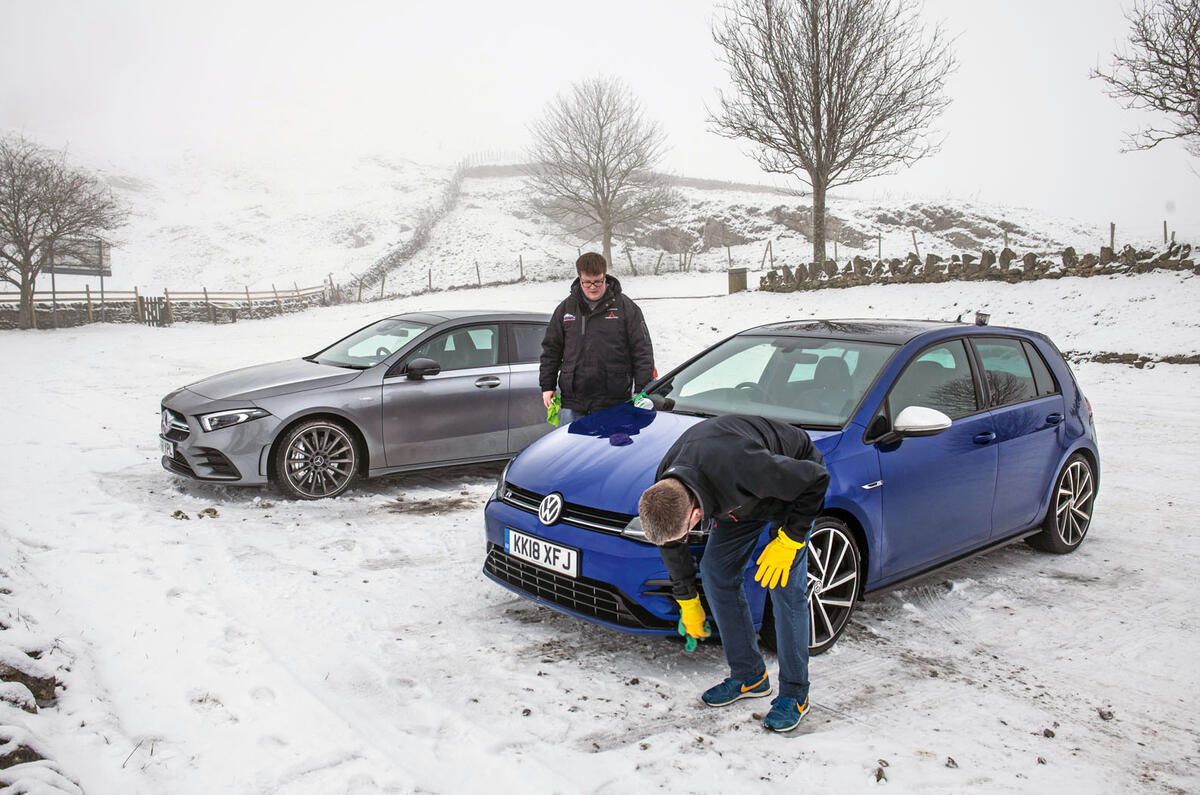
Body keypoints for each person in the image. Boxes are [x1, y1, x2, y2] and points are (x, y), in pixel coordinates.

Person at [637, 414, 829, 733]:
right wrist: (687, 599)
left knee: (784, 588)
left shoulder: (741, 465)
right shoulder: (665, 487)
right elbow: (671, 543)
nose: (681, 538)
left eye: (685, 531)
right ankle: (749, 675)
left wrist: (791, 538)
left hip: (792, 488)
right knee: (716, 573)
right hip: (738, 500)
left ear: (695, 514)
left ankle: (795, 694)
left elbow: (816, 480)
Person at [540, 252, 654, 423]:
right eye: (587, 282)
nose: (593, 287)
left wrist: (641, 389)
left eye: (598, 281)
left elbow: (642, 350)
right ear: (580, 279)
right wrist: (547, 386)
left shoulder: (626, 308)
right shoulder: (566, 309)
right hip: (573, 401)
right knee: (572, 441)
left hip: (614, 401)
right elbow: (551, 350)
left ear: (605, 277)